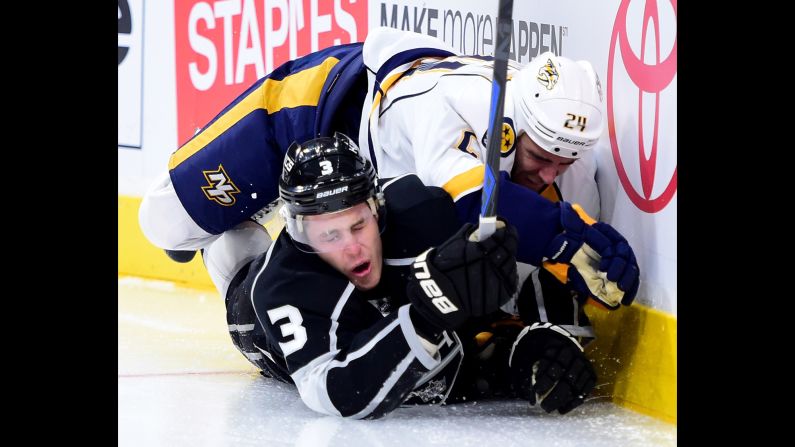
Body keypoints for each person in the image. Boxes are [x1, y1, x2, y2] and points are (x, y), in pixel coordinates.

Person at [138, 27, 638, 314]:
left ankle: (241, 275)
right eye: (538, 159)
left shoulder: (565, 151)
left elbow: (548, 276)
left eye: (564, 161)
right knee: (163, 226)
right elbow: (474, 202)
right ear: (510, 129)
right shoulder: (449, 108)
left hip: (379, 175)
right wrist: (565, 236)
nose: (550, 176)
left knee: (258, 286)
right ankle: (229, 226)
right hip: (313, 112)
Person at [163, 132, 630, 418]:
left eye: (358, 224)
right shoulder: (283, 286)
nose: (351, 246)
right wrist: (426, 320)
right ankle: (220, 246)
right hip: (250, 316)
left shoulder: (421, 216)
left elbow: (509, 276)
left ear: (376, 204)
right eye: (328, 235)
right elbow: (335, 393)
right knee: (235, 253)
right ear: (299, 231)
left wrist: (538, 340)